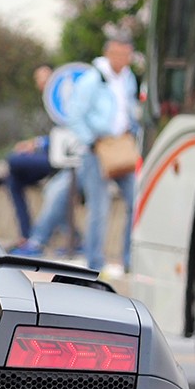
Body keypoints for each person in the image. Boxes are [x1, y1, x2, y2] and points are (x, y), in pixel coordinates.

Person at [67, 34, 141, 277]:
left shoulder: (128, 78)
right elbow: (74, 114)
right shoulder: (93, 79)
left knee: (136, 201)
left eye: (126, 54)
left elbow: (128, 108)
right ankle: (95, 264)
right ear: (109, 53)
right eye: (118, 54)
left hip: (121, 147)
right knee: (99, 208)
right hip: (98, 149)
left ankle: (129, 260)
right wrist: (91, 140)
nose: (122, 59)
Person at [4, 64, 57, 243]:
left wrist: (36, 143)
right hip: (46, 155)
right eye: (39, 80)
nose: (42, 83)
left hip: (57, 157)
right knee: (13, 180)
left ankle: (28, 236)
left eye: (45, 78)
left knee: (13, 161)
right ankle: (25, 234)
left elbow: (63, 134)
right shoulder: (44, 103)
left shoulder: (61, 100)